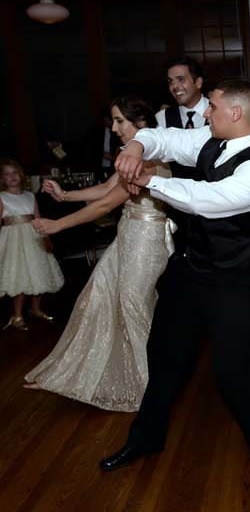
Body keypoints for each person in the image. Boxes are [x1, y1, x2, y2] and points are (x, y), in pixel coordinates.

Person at [100, 79, 250, 471]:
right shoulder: (209, 140)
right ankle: (145, 438)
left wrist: (150, 181)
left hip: (230, 281)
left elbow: (205, 201)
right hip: (188, 269)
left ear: (235, 112)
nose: (205, 113)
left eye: (212, 106)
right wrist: (136, 146)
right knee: (164, 355)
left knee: (233, 369)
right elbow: (164, 139)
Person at [23, 97, 173, 411]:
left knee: (134, 305)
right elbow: (106, 189)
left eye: (119, 121)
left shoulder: (150, 160)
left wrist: (57, 225)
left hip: (147, 240)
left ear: (140, 123)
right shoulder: (131, 155)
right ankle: (71, 374)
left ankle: (155, 385)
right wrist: (65, 195)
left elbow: (106, 204)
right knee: (96, 297)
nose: (114, 128)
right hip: (127, 235)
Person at [0, 159, 64, 330]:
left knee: (38, 272)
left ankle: (35, 309)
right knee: (20, 275)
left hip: (33, 238)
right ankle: (17, 315)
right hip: (13, 241)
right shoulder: (2, 197)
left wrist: (46, 237)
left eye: (14, 172)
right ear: (2, 179)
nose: (12, 176)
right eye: (7, 174)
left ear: (21, 175)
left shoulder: (30, 196)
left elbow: (37, 217)